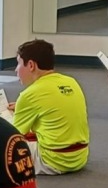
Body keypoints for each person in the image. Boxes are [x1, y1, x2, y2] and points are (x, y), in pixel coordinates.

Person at [10, 39, 89, 174]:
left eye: (18, 63)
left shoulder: (29, 95)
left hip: (52, 161)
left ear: (31, 65)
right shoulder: (72, 82)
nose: (16, 70)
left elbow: (12, 137)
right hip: (79, 158)